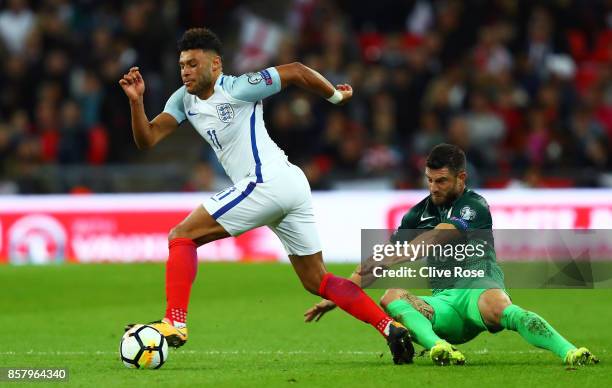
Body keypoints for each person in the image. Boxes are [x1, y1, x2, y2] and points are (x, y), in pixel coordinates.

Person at [119, 27, 414, 364]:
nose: (185, 70)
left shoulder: (239, 87)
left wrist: (335, 96)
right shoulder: (183, 100)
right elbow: (148, 139)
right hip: (287, 185)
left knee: (181, 236)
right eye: (182, 64)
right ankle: (389, 328)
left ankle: (175, 323)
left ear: (215, 65)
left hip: (267, 181)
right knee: (316, 280)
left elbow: (298, 71)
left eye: (193, 64)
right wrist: (137, 102)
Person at [305, 143, 599, 367]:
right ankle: (439, 347)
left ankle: (571, 352)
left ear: (461, 178)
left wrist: (402, 253)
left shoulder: (474, 205)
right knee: (391, 296)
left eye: (441, 181)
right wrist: (341, 294)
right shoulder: (416, 214)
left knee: (501, 306)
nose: (434, 188)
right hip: (444, 304)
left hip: (478, 291)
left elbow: (441, 234)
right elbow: (380, 260)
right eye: (429, 180)